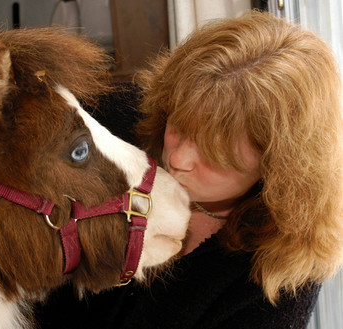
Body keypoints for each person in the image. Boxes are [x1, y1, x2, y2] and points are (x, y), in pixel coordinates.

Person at [35, 11, 343, 329]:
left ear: (278, 172)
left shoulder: (278, 283)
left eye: (214, 155)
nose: (178, 158)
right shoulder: (113, 123)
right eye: (179, 126)